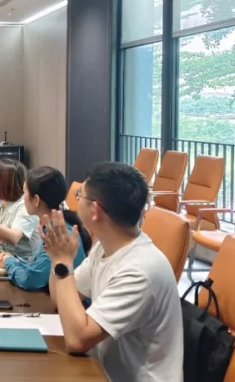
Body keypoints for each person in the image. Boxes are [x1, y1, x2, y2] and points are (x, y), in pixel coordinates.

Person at [42, 162, 183, 381]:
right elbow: (59, 299)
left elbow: (77, 340)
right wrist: (57, 257)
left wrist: (63, 261)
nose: (76, 201)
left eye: (80, 195)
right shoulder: (105, 246)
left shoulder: (140, 271)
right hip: (101, 370)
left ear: (95, 210)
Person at [0, 166, 91, 291]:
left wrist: (8, 262)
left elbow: (30, 280)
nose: (22, 198)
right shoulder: (53, 225)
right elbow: (38, 267)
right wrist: (14, 260)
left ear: (36, 200)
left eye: (24, 193)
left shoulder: (58, 235)